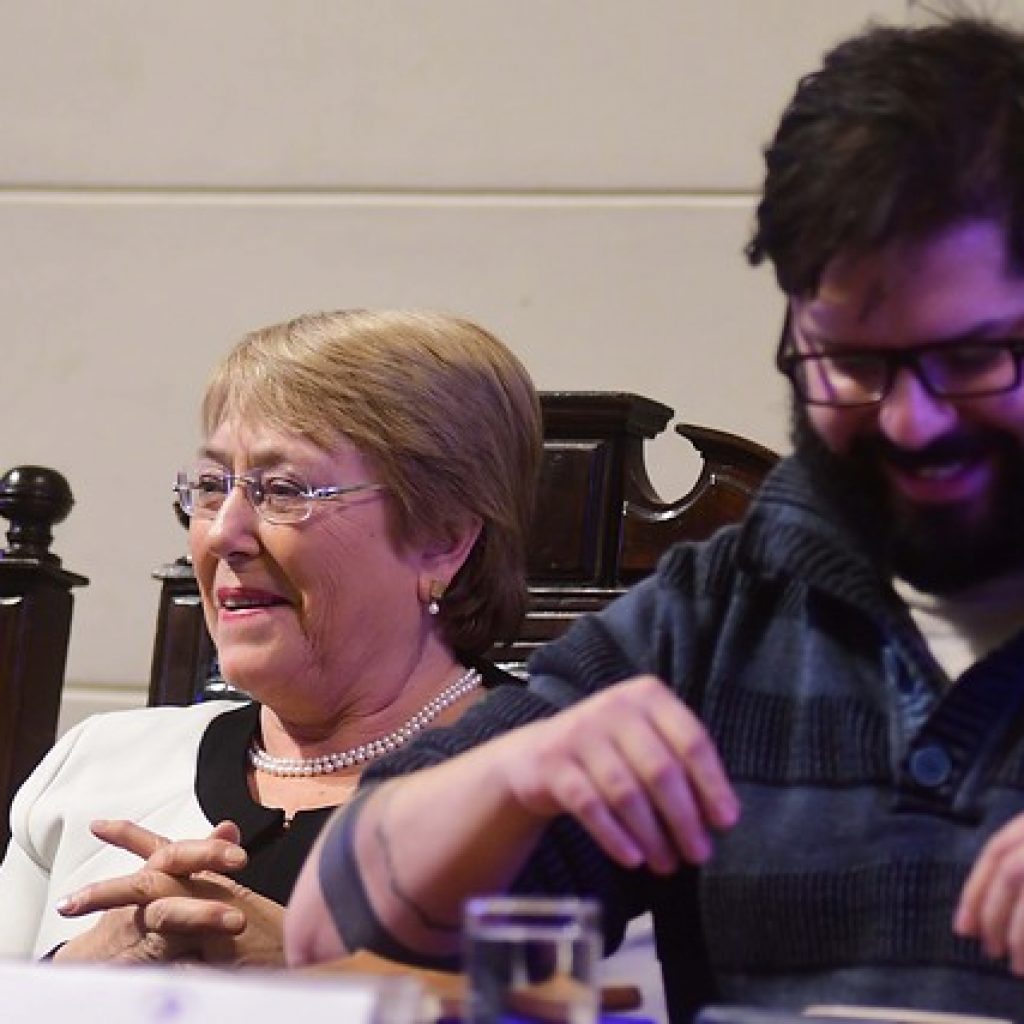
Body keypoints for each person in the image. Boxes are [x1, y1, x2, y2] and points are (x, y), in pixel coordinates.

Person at [285, 15, 1024, 1021]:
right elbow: (328, 931)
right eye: (849, 363)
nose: (907, 420)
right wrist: (514, 772)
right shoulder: (720, 613)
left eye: (972, 360)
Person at [0, 308, 542, 964]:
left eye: (283, 490)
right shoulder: (96, 766)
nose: (223, 533)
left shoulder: (576, 792)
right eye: (210, 486)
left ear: (443, 539)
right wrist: (86, 971)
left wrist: (312, 979)